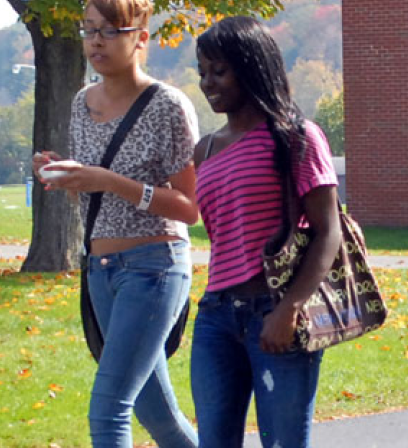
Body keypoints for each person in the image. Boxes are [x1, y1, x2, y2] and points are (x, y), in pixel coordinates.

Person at [32, 0, 200, 446]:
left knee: (108, 409)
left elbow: (190, 207)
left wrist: (111, 181)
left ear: (140, 38)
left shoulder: (168, 105)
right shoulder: (80, 104)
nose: (95, 41)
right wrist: (64, 174)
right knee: (158, 415)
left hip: (155, 266)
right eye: (88, 30)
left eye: (109, 31)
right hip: (100, 271)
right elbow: (89, 193)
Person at [188, 16, 342, 448]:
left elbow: (328, 232)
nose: (207, 83)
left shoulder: (296, 138)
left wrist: (288, 308)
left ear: (252, 66)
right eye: (202, 72)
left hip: (276, 313)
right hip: (216, 317)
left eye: (219, 71)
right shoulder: (207, 149)